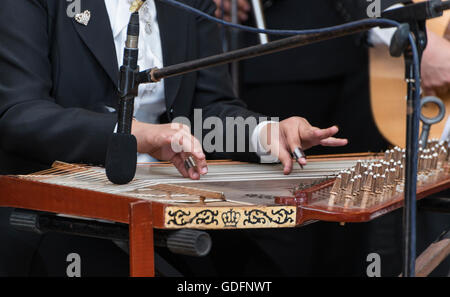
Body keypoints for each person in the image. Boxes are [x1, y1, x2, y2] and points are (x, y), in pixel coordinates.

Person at [0, 0, 348, 276]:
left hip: (169, 203)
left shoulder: (189, 3)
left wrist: (265, 132)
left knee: (267, 262)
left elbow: (208, 108)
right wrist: (140, 135)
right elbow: (19, 115)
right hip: (64, 212)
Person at [208, 0, 450, 276]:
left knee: (353, 224)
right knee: (283, 234)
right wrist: (406, 28)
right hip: (283, 58)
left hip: (362, 64)